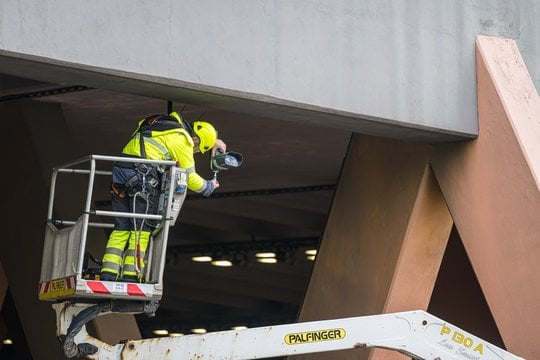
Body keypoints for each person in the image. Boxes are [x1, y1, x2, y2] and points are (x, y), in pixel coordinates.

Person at [100, 111, 226, 282]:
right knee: (142, 229)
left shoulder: (160, 124)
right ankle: (131, 274)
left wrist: (213, 142)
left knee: (122, 226)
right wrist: (209, 187)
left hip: (121, 171)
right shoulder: (182, 139)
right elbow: (190, 178)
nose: (194, 151)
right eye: (197, 149)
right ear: (195, 140)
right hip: (142, 177)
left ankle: (108, 272)